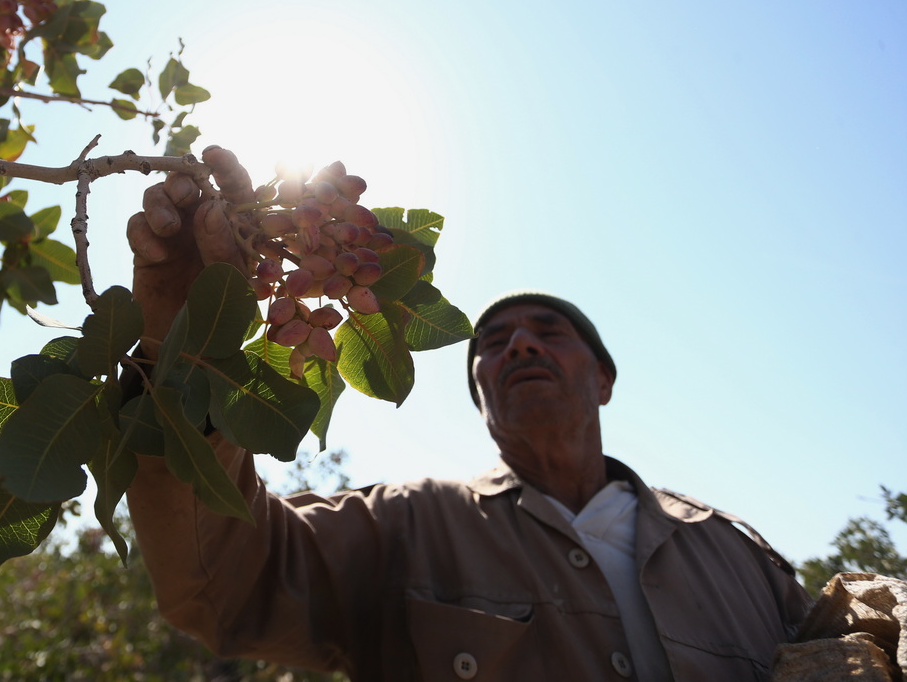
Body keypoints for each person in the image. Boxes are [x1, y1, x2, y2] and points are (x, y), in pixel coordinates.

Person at [124, 147, 813, 681]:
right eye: (492, 343)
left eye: (550, 330)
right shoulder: (406, 527)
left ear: (603, 378)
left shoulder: (740, 558)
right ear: (479, 394)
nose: (521, 343)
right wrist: (182, 349)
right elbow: (225, 585)